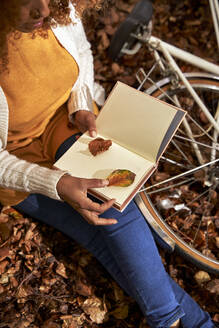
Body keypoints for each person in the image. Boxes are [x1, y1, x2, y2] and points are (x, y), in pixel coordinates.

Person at [0, 1, 216, 327]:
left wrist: (81, 104)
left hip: (65, 123)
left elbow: (83, 53)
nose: (43, 11)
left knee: (111, 206)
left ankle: (174, 319)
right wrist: (56, 183)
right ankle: (192, 321)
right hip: (18, 162)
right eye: (29, 1)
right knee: (100, 235)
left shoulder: (58, 9)